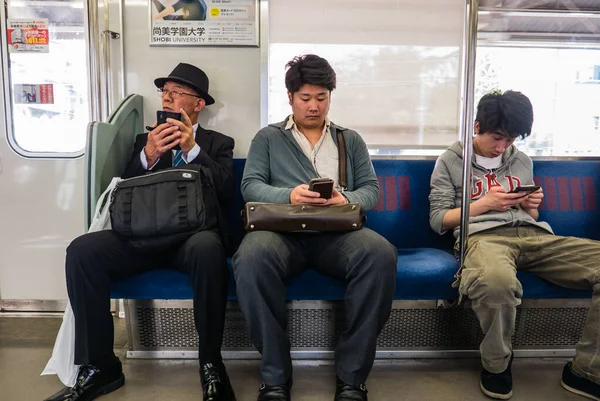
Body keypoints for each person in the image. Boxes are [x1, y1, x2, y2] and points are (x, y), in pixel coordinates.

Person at [44, 63, 236, 401]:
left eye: (176, 93)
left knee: (209, 248)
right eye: (164, 92)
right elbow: (123, 191)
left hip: (191, 239)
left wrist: (192, 150)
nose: (167, 98)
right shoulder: (143, 141)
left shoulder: (218, 144)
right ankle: (100, 366)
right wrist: (148, 155)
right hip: (142, 236)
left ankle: (210, 364)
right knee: (82, 251)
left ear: (198, 104)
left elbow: (224, 190)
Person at [232, 54, 397, 401]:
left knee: (380, 254)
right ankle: (275, 376)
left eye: (322, 98)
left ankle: (352, 377)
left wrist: (344, 199)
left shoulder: (348, 139)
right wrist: (290, 194)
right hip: (279, 233)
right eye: (306, 98)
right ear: (290, 97)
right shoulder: (268, 138)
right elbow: (250, 186)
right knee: (251, 257)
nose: (314, 106)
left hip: (336, 235)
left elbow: (371, 190)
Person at [429, 89, 600, 400]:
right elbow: (439, 220)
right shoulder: (451, 161)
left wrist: (533, 203)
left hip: (535, 235)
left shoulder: (520, 160)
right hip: (483, 238)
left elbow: (530, 213)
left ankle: (585, 371)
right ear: (477, 126)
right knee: (496, 283)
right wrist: (484, 203)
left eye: (510, 140)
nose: (502, 147)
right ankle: (496, 365)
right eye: (497, 138)